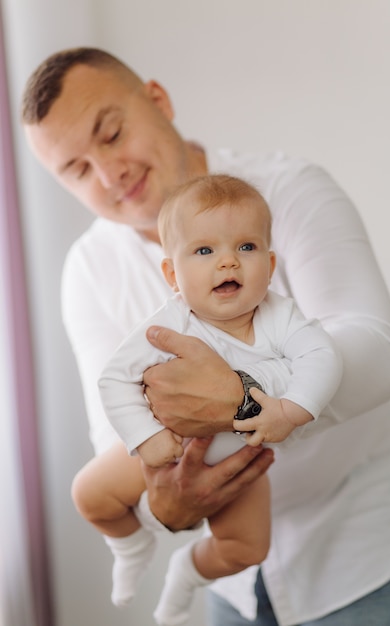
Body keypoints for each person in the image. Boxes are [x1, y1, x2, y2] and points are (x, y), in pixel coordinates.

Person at [21, 47, 390, 626]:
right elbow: (115, 431)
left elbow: (379, 352)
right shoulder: (89, 269)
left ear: (157, 100)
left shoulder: (289, 192)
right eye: (77, 170)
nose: (109, 174)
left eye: (110, 134)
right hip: (231, 575)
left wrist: (242, 400)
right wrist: (165, 503)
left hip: (362, 549)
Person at [77, 173, 341, 624]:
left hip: (241, 461)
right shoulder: (169, 323)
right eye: (205, 251)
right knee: (89, 496)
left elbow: (324, 357)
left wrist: (288, 411)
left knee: (247, 549)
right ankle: (131, 545)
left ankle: (188, 573)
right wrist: (147, 437)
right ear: (172, 274)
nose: (228, 263)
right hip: (169, 447)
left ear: (271, 264)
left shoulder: (280, 316)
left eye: (246, 247)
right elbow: (113, 381)